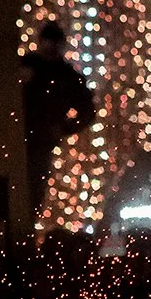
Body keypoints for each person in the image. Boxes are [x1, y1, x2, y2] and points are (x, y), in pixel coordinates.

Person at [19, 21, 96, 208]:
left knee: (32, 191)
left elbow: (87, 111)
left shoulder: (65, 75)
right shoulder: (29, 66)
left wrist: (62, 128)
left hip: (39, 139)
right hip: (24, 136)